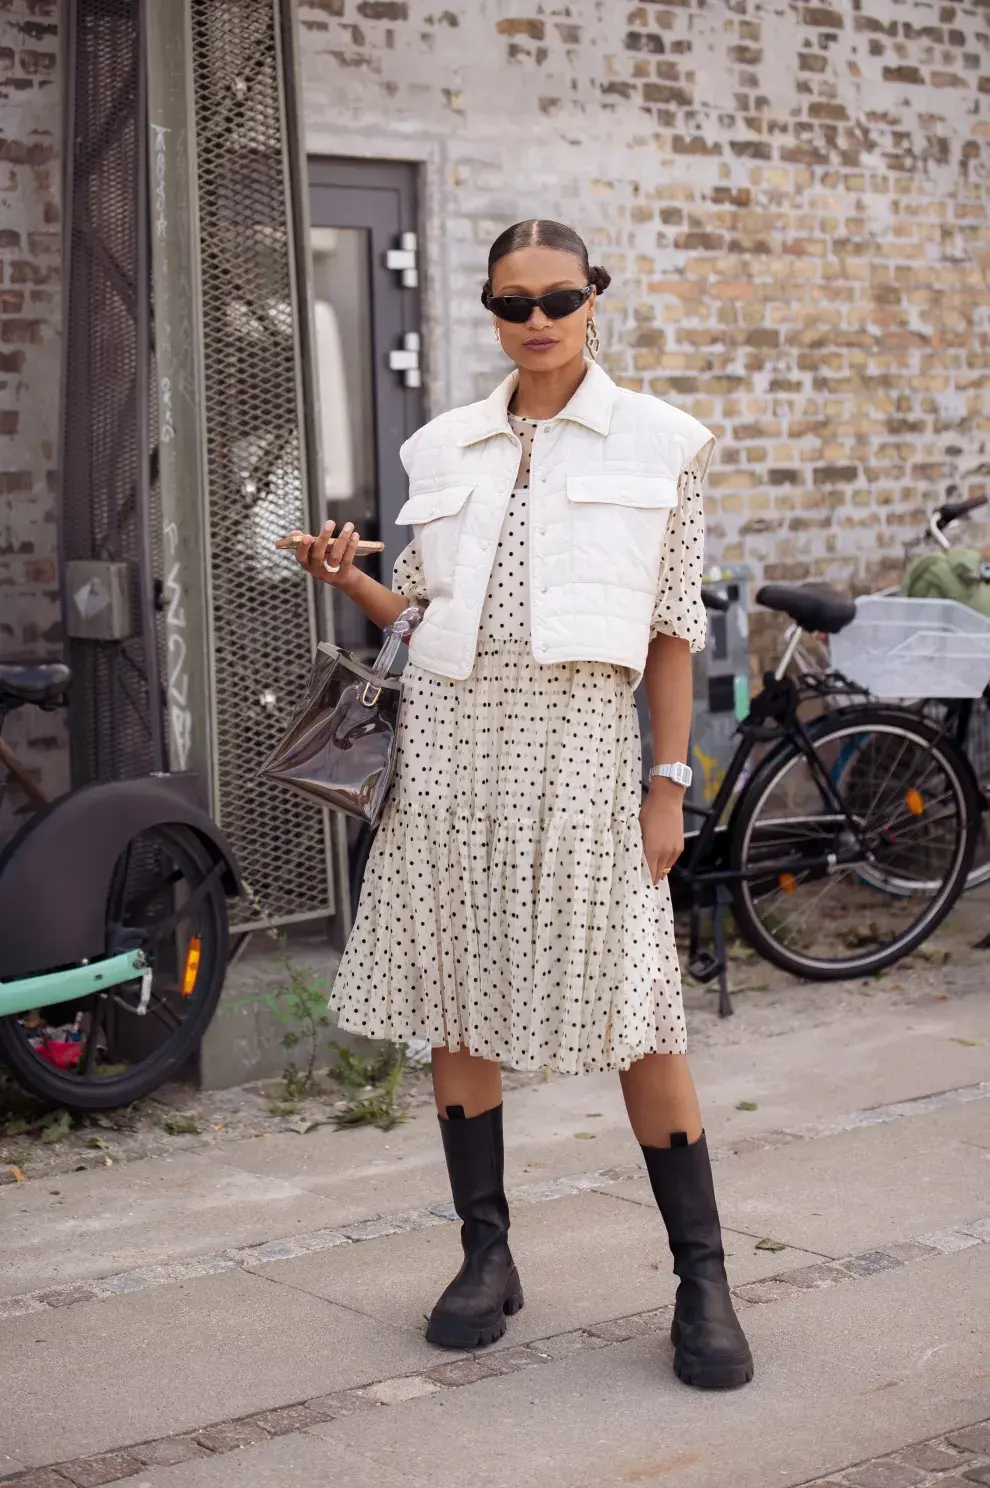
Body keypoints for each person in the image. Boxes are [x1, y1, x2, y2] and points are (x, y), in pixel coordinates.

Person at [289, 219, 753, 1390]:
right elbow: (435, 620)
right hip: (454, 753)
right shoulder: (441, 450)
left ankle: (703, 1282)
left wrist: (669, 781)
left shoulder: (663, 443)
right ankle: (485, 1257)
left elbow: (669, 636)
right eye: (512, 303)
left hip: (585, 759)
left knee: (641, 1012)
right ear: (489, 311)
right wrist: (354, 581)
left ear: (595, 297)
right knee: (458, 999)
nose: (537, 321)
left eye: (558, 297)